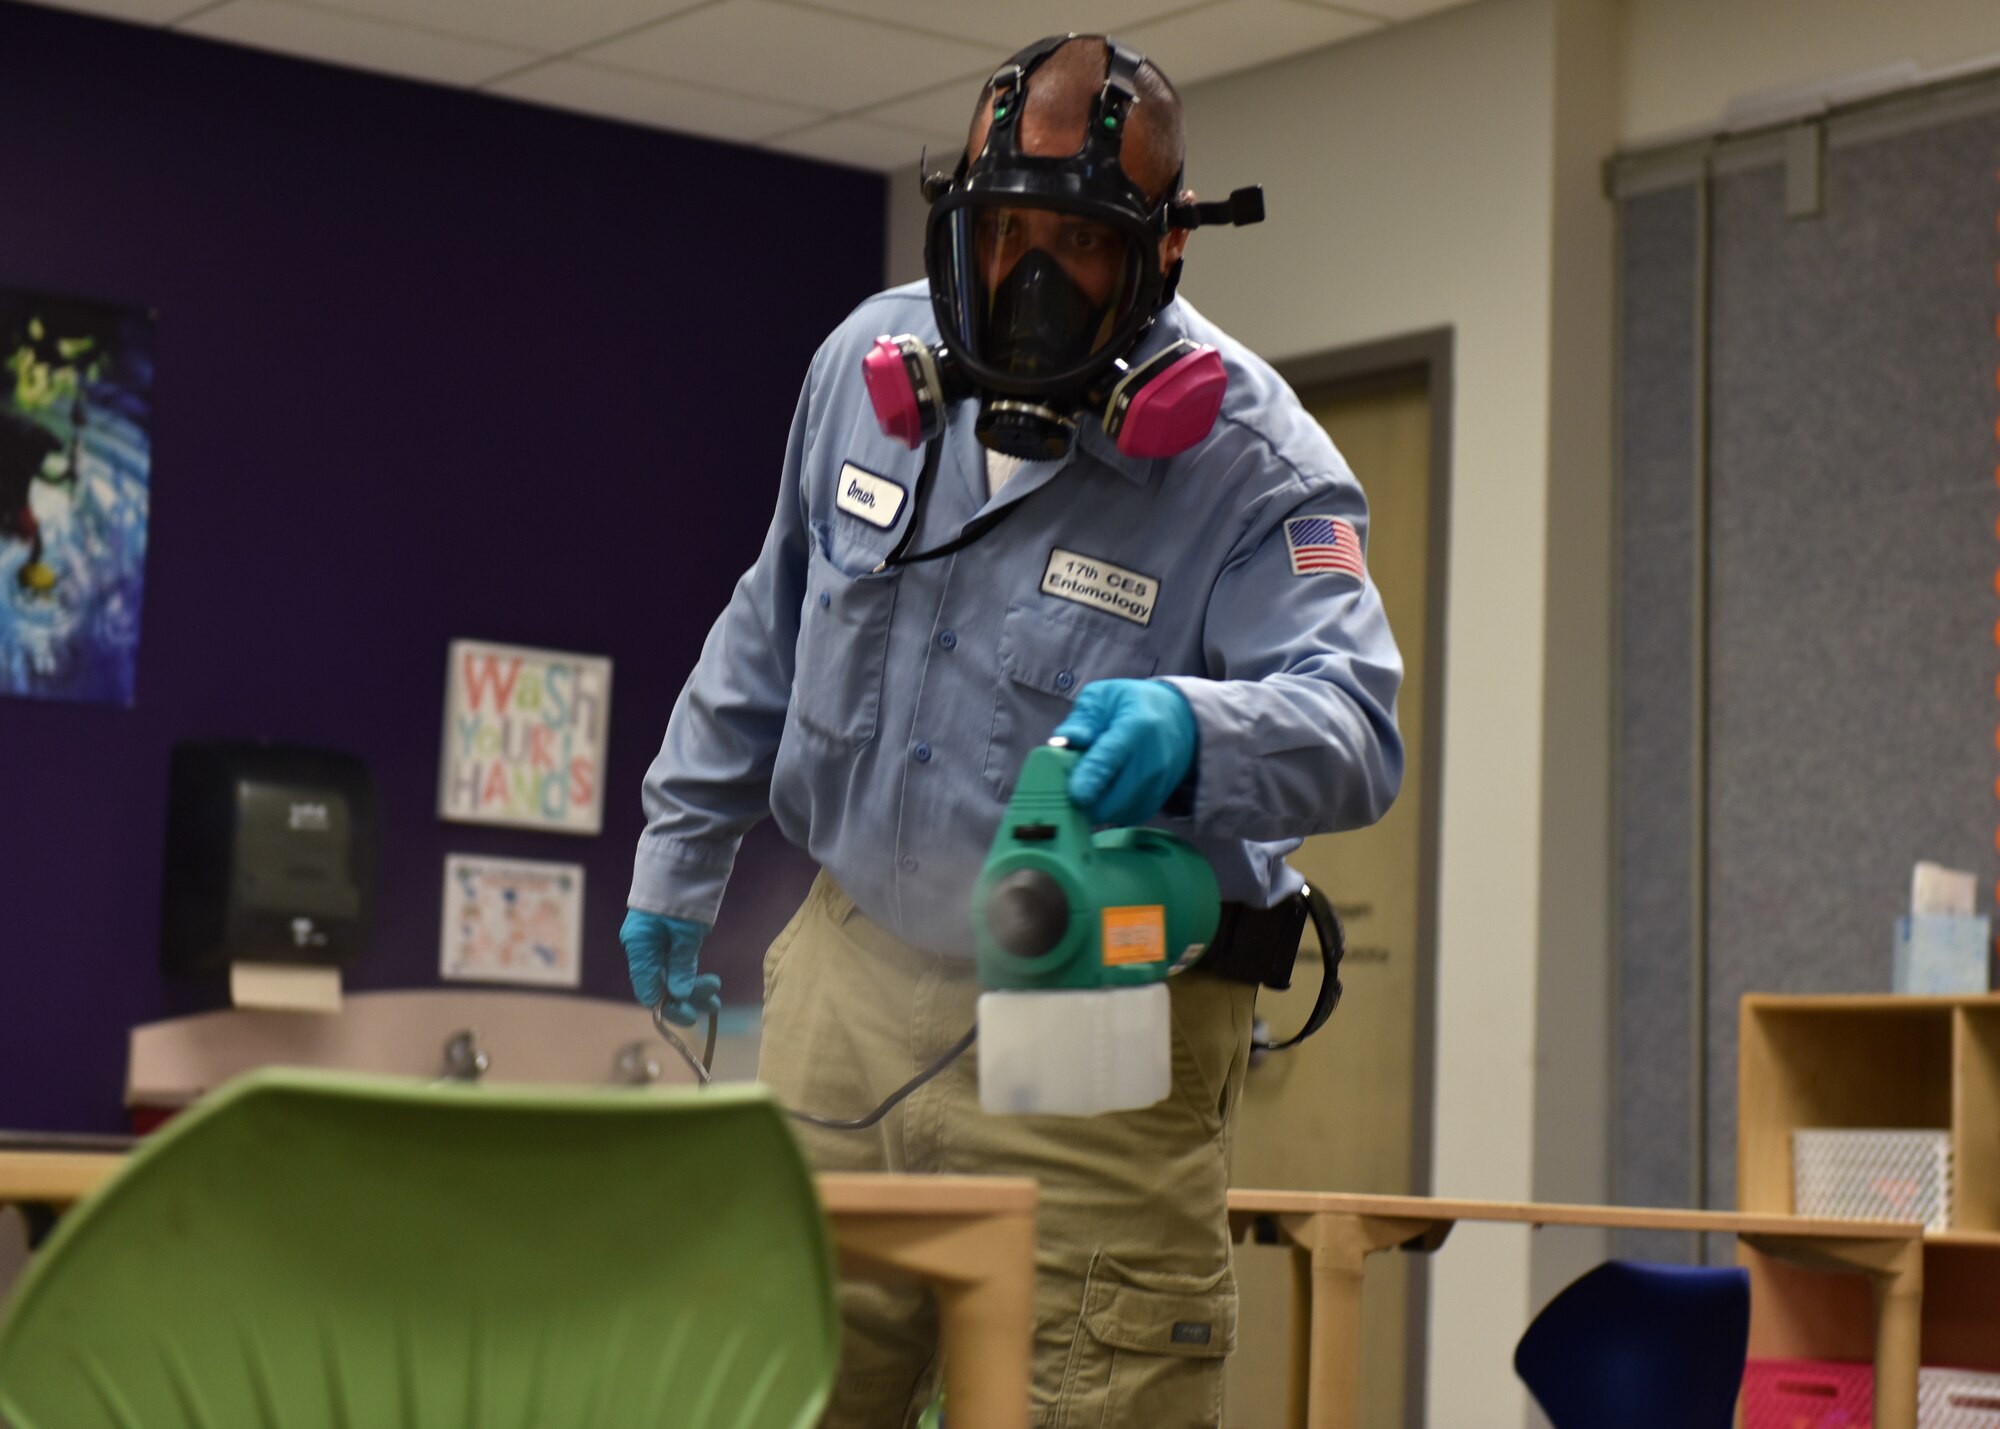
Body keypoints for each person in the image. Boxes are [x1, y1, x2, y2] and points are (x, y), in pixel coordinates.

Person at [623, 33, 1403, 1427]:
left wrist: (1193, 725)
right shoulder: (865, 371)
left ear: (1162, 257)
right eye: (1006, 234)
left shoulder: (1255, 466)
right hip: (845, 1000)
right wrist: (677, 859)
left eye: (1079, 246)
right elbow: (770, 620)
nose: (1030, 278)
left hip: (1091, 1031)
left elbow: (1358, 725)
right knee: (772, 1390)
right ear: (955, 225)